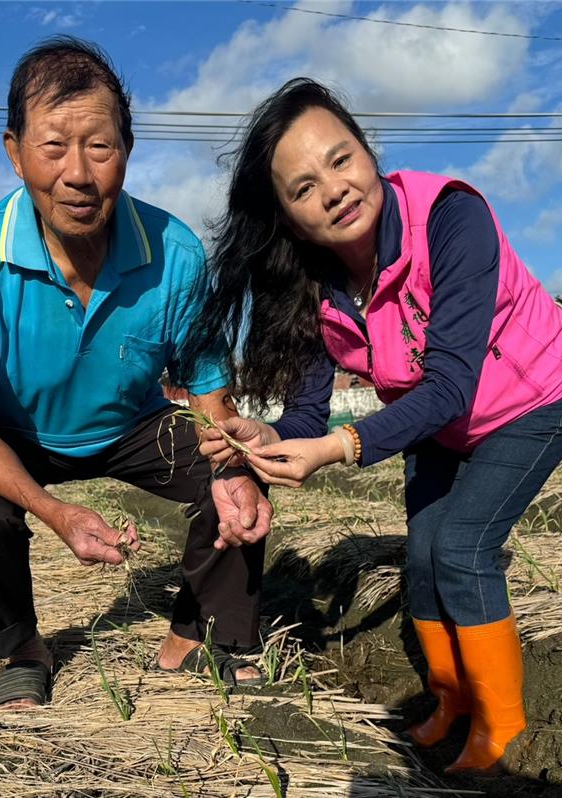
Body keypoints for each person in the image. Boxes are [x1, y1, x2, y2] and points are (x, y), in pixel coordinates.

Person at [184, 78, 562, 773]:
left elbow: (449, 383)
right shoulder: (313, 285)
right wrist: (272, 436)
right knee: (422, 556)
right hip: (441, 424)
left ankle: (504, 726)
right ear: (291, 220)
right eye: (302, 188)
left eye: (341, 159)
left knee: (463, 548)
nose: (333, 188)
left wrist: (341, 446)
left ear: (368, 152)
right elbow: (306, 411)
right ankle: (451, 700)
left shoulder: (450, 217)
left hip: (533, 399)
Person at [0, 36, 271, 711]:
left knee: (235, 477)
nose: (78, 174)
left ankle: (205, 631)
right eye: (53, 147)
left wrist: (234, 454)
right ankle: (21, 648)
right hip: (14, 432)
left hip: (129, 423)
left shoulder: (174, 253)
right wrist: (56, 512)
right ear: (13, 151)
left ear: (127, 150)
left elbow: (208, 395)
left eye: (101, 147)